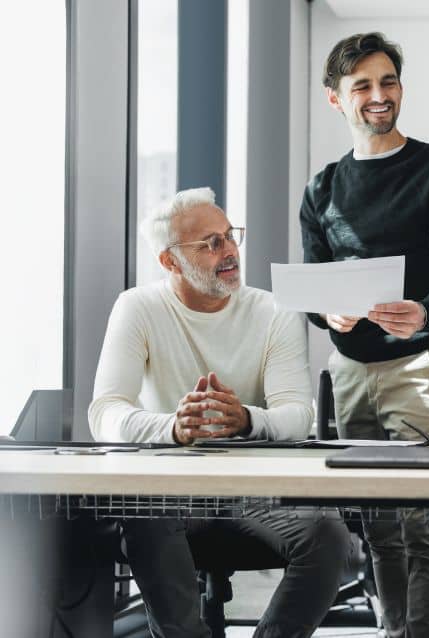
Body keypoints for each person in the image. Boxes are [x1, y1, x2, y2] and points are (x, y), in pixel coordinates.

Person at [89, 187, 350, 638]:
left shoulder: (273, 310)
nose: (228, 251)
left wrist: (247, 420)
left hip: (255, 487)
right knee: (142, 513)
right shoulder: (139, 308)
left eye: (230, 236)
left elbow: (296, 414)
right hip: (169, 491)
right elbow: (105, 413)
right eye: (209, 243)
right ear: (170, 262)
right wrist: (174, 428)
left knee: (328, 536)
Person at [301, 32, 429, 638]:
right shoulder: (322, 188)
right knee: (377, 527)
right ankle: (392, 631)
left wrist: (424, 312)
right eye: (363, 87)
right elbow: (312, 294)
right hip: (350, 371)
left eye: (388, 82)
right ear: (336, 99)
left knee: (425, 525)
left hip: (421, 365)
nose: (379, 96)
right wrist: (329, 315)